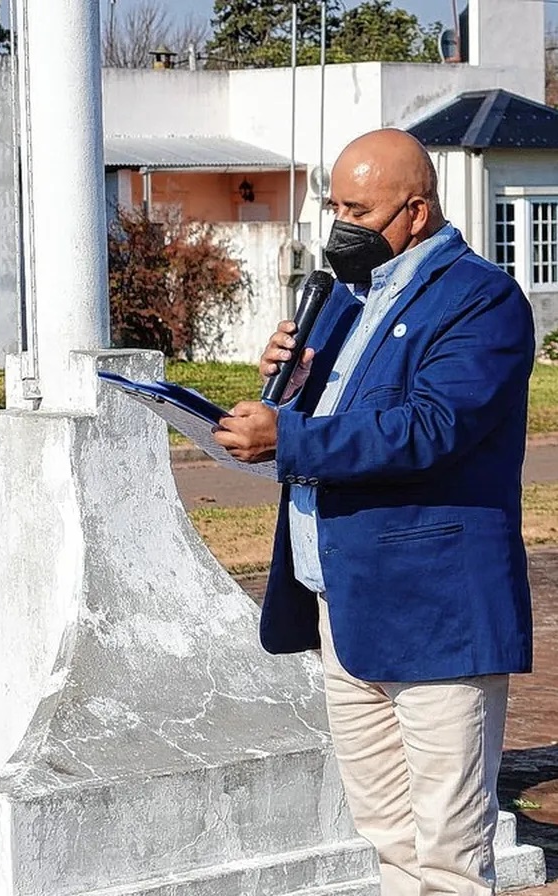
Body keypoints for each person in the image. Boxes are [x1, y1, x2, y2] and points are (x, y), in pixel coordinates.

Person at [212, 128, 536, 896]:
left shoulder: (481, 300)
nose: (340, 225)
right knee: (388, 841)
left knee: (450, 857)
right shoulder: (340, 302)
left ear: (416, 211)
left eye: (358, 208)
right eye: (334, 205)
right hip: (343, 604)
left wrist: (289, 436)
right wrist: (288, 391)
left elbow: (429, 428)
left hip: (436, 614)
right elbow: (332, 423)